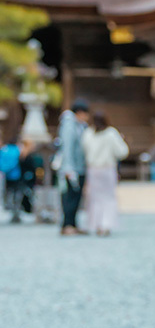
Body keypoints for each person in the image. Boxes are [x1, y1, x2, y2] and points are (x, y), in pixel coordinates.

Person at [81, 111, 129, 236]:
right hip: (107, 169)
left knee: (95, 198)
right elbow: (122, 152)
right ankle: (106, 224)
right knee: (108, 198)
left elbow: (83, 150)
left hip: (93, 169)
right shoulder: (111, 133)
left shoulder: (88, 133)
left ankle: (96, 224)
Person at [56, 98, 90, 235]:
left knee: (76, 197)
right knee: (69, 197)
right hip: (71, 168)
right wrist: (68, 168)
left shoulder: (79, 125)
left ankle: (73, 224)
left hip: (79, 167)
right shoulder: (69, 125)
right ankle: (67, 224)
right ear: (80, 112)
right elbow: (67, 148)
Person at [0, 136, 23, 223]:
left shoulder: (4, 150)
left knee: (9, 193)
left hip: (7, 175)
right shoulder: (17, 150)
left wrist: (4, 169)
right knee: (16, 195)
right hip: (16, 175)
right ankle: (16, 213)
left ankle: (12, 210)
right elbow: (15, 161)